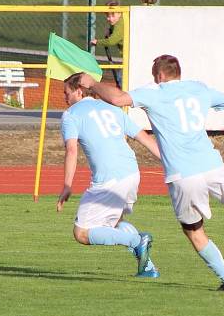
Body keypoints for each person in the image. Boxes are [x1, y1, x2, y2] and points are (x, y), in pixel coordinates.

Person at [79, 55, 224, 291]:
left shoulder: (153, 91)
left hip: (183, 175)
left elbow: (117, 98)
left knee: (195, 231)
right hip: (213, 166)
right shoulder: (199, 89)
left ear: (160, 75)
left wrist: (92, 83)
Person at [57, 73, 162, 278]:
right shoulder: (112, 109)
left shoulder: (71, 115)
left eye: (66, 93)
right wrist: (171, 163)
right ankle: (147, 267)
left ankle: (136, 241)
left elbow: (71, 151)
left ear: (79, 91)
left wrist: (67, 185)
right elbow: (144, 138)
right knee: (113, 225)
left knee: (82, 233)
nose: (65, 98)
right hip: (132, 173)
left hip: (109, 180)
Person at [90, 0, 124, 87]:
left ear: (120, 13)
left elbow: (112, 41)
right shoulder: (117, 23)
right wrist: (109, 30)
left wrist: (98, 42)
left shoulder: (120, 24)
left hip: (131, 57)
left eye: (113, 15)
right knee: (121, 79)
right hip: (126, 56)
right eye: (108, 16)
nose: (110, 18)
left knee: (121, 79)